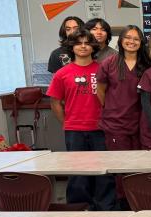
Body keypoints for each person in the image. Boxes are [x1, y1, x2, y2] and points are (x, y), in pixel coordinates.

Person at [47, 29, 116, 210]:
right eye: (79, 43)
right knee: (78, 172)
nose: (83, 46)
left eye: (87, 43)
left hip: (101, 129)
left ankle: (105, 207)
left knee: (104, 170)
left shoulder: (103, 70)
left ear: (93, 47)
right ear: (72, 47)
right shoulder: (62, 73)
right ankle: (79, 207)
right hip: (74, 130)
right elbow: (55, 103)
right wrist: (67, 123)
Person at [95, 25, 151, 208]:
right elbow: (101, 90)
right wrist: (113, 108)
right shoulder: (110, 63)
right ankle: (124, 205)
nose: (132, 41)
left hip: (141, 123)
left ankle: (140, 202)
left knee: (140, 165)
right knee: (121, 168)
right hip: (115, 124)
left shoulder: (147, 65)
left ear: (141, 42)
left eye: (136, 38)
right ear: (120, 40)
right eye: (128, 37)